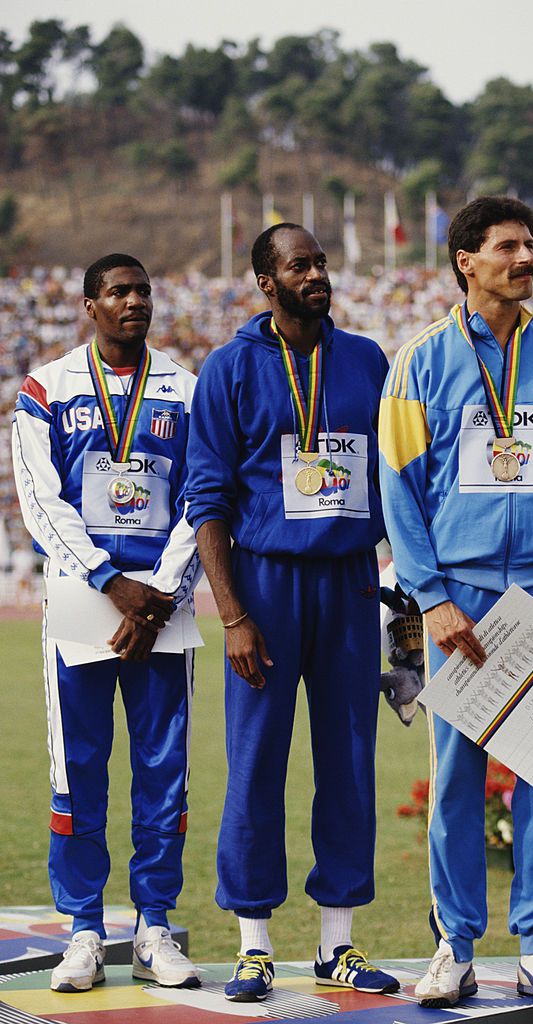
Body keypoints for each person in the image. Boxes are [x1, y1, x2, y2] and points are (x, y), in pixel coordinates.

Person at [379, 197, 533, 1009]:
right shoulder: (418, 362)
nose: (525, 257)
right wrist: (433, 600)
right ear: (465, 262)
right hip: (464, 601)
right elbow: (399, 492)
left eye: (528, 244)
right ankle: (455, 944)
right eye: (507, 246)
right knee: (455, 779)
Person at [185, 224, 398, 1003]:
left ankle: (336, 943)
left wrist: (398, 602)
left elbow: (398, 480)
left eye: (320, 262)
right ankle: (252, 946)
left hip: (347, 580)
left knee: (348, 759)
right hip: (264, 585)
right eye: (299, 265)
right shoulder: (230, 367)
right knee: (255, 763)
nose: (317, 274)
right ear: (265, 284)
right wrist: (234, 615)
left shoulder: (366, 360)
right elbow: (206, 499)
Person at [12, 254, 201, 993]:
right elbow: (39, 498)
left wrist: (156, 592)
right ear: (89, 305)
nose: (135, 302)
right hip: (84, 600)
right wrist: (108, 581)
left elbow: (200, 496)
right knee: (78, 771)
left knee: (164, 773)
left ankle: (154, 926)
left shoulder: (186, 389)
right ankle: (85, 930)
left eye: (144, 291)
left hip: (163, 605)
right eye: (118, 292)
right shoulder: (46, 387)